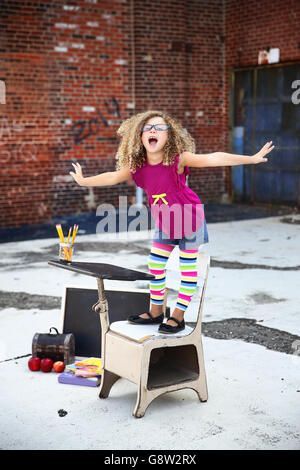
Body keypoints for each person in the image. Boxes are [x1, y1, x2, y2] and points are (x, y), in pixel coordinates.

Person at [69, 110, 274, 334]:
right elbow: (111, 176)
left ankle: (178, 316)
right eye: (147, 128)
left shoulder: (178, 158)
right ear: (139, 136)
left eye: (159, 127)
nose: (153, 131)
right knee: (155, 266)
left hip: (190, 219)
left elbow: (213, 158)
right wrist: (84, 180)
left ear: (170, 136)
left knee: (187, 271)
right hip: (165, 223)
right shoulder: (137, 166)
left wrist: (251, 159)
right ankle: (156, 311)